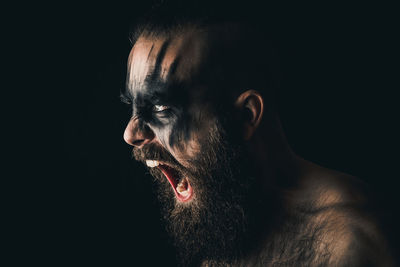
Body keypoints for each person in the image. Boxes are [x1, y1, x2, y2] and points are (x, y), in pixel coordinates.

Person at [121, 1, 394, 266]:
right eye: (132, 106)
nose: (130, 133)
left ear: (245, 116)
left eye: (161, 107)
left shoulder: (355, 242)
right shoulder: (224, 215)